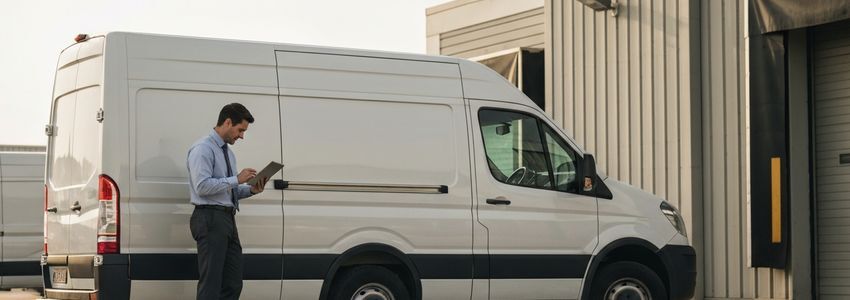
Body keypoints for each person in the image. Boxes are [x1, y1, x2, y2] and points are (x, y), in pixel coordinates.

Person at [187, 103, 268, 300]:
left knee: (232, 283)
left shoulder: (228, 153)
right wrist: (236, 179)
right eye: (240, 130)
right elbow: (202, 187)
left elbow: (226, 190)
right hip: (209, 217)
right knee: (211, 284)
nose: (242, 136)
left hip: (226, 219)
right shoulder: (202, 149)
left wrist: (250, 190)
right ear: (228, 122)